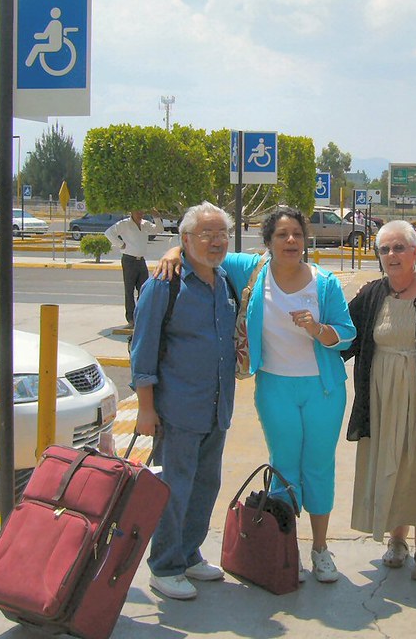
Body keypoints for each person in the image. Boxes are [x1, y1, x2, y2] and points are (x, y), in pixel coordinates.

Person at [155, 207, 355, 583]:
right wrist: (171, 253)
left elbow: (346, 333)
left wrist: (318, 329)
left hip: (323, 390)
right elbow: (199, 248)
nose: (290, 241)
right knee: (283, 467)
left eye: (296, 233)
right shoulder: (253, 270)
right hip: (275, 386)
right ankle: (283, 548)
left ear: (305, 239)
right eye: (281, 235)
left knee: (318, 467)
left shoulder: (324, 283)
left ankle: (321, 549)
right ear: (268, 243)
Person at [129, 202, 238, 602]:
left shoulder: (225, 281)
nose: (216, 242)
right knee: (173, 490)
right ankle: (165, 566)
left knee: (205, 485)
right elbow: (143, 349)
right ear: (185, 239)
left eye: (221, 234)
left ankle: (189, 553)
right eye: (206, 234)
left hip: (217, 407)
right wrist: (145, 407)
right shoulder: (165, 283)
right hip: (177, 410)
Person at [343, 220, 416, 581]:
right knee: (391, 464)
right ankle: (397, 541)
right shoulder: (372, 294)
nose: (391, 255)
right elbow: (344, 335)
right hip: (381, 397)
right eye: (384, 249)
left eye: (399, 247)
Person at [105, 210, 160, 328]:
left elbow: (159, 230)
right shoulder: (124, 224)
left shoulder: (145, 224)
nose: (140, 215)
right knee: (129, 290)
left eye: (142, 212)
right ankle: (131, 319)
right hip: (129, 260)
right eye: (138, 212)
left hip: (141, 260)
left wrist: (156, 216)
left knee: (144, 289)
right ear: (132, 213)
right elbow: (109, 233)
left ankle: (141, 316)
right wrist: (120, 244)